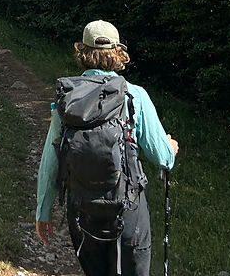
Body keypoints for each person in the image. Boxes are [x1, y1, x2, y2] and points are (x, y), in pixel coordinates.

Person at [35, 20, 179, 276]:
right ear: (118, 52)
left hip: (82, 212)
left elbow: (51, 159)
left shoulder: (67, 100)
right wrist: (170, 146)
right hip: (128, 211)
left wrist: (42, 212)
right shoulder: (134, 96)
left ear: (82, 52)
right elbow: (163, 158)